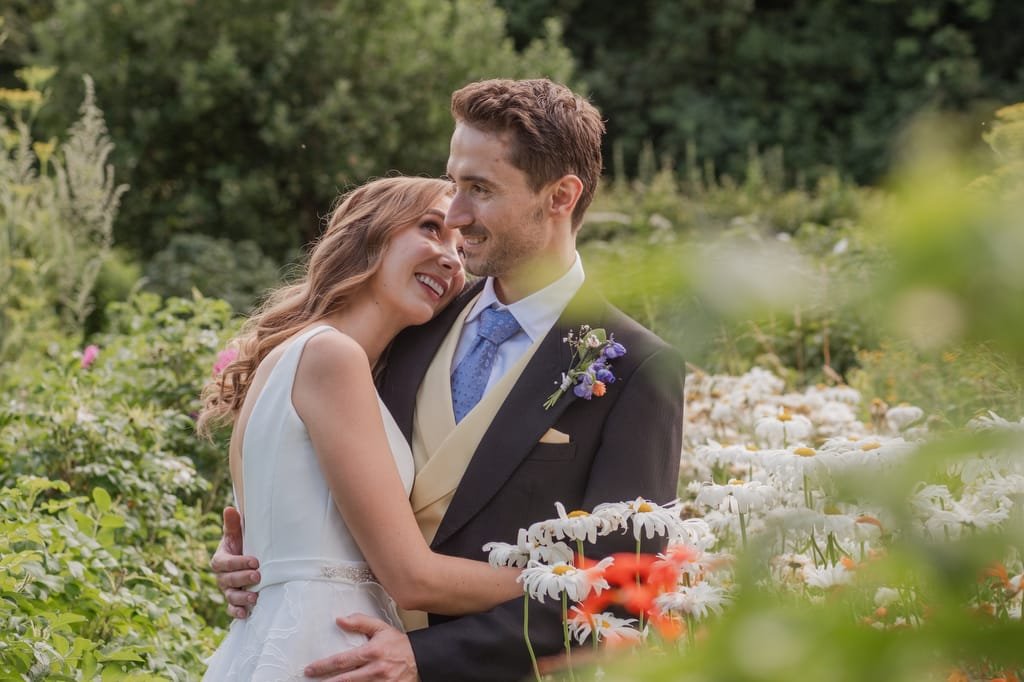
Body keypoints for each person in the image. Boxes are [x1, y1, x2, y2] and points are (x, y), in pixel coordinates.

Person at [212, 79, 685, 682]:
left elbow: (624, 591)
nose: (456, 216)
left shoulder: (636, 368)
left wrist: (428, 656)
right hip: (331, 652)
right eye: (454, 183)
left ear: (561, 195)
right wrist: (263, 558)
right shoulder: (409, 321)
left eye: (480, 190)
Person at [197, 176, 524, 681]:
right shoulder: (333, 356)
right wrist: (570, 581)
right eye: (431, 228)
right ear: (371, 233)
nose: (452, 259)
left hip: (285, 640)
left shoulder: (301, 357)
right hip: (329, 643)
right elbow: (411, 577)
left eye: (460, 250)